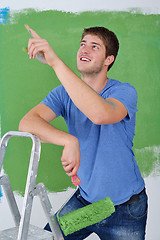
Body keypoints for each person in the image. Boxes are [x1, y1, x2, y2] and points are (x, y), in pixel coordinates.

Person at [19, 26, 148, 240]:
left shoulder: (123, 92)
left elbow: (100, 114)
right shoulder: (62, 94)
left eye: (94, 46)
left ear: (109, 59)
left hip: (125, 209)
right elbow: (27, 123)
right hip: (87, 205)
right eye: (82, 44)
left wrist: (55, 63)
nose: (84, 50)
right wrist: (68, 140)